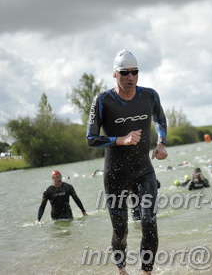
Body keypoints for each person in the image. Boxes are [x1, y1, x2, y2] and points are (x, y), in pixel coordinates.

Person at [87, 50, 167, 275]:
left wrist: (161, 143)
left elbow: (160, 120)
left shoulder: (150, 96)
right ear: (115, 74)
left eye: (134, 72)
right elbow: (91, 138)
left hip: (144, 170)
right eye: (124, 73)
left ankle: (146, 272)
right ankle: (122, 270)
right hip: (115, 175)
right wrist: (120, 140)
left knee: (149, 221)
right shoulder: (103, 100)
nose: (130, 77)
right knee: (120, 230)